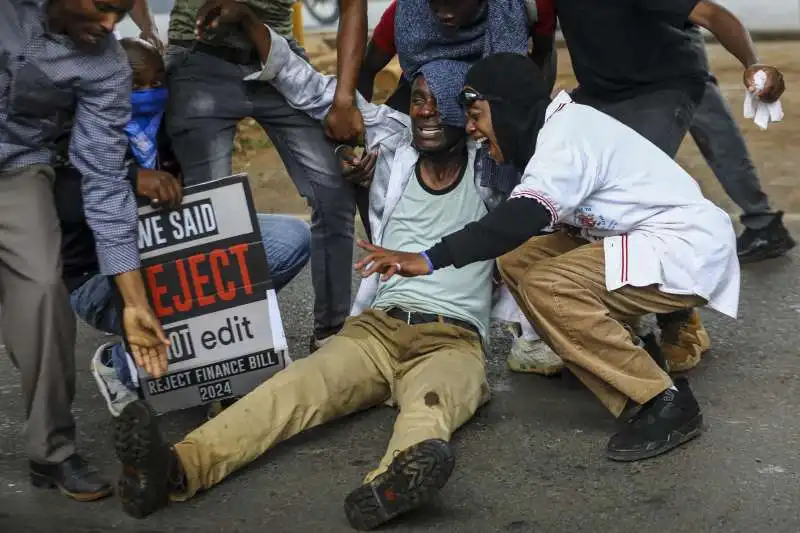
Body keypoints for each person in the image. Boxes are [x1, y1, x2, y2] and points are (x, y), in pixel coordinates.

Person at [112, 21, 509, 529]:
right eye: (419, 100)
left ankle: (388, 487)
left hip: (451, 342)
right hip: (376, 331)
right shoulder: (395, 145)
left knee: (430, 411)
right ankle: (174, 468)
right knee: (289, 392)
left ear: (468, 114)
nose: (426, 112)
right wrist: (254, 28)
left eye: (440, 102)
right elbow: (315, 89)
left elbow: (536, 158)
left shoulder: (494, 167)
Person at [359, 53, 741, 462]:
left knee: (549, 287)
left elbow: (522, 215)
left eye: (476, 114)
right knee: (518, 260)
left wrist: (430, 258)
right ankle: (631, 354)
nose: (470, 129)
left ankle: (662, 400)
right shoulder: (554, 131)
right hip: (648, 239)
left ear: (506, 109)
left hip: (685, 247)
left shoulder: (566, 138)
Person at [54, 38, 311, 417]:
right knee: (175, 291)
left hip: (179, 255)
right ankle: (121, 365)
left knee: (293, 238)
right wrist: (129, 178)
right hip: (97, 278)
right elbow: (64, 198)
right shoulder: (78, 128)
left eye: (157, 83)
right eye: (135, 86)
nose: (149, 94)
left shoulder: (173, 123)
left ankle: (223, 355)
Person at [1, 0, 170, 501]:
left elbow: (104, 183)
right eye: (101, 6)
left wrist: (135, 302)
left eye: (119, 12)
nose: (108, 24)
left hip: (17, 171)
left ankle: (50, 452)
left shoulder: (105, 63)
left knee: (43, 289)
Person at [140, 0, 365, 350]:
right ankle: (219, 353)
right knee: (206, 215)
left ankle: (332, 334)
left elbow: (352, 6)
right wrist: (146, 29)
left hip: (275, 55)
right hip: (200, 59)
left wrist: (344, 99)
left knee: (334, 191)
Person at [685, 25, 795, 264]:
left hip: (668, 58)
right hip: (627, 58)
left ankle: (763, 223)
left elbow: (711, 13)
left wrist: (752, 63)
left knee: (712, 131)